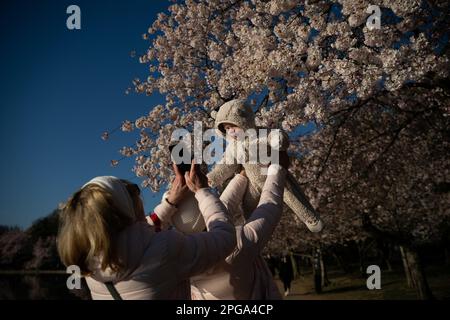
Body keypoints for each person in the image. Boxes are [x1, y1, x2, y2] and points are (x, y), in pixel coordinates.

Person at [57, 162, 236, 300]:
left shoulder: (89, 266)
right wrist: (202, 190)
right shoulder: (165, 249)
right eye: (134, 199)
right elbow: (225, 238)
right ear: (125, 212)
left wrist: (171, 203)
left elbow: (138, 237)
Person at [150, 151, 290, 299]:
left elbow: (221, 211)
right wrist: (278, 167)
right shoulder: (237, 244)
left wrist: (242, 176)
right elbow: (270, 205)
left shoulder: (177, 259)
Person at [207, 99, 323, 233]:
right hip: (253, 183)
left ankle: (310, 218)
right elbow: (226, 164)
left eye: (234, 126)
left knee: (291, 195)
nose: (231, 131)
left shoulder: (259, 134)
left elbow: (274, 135)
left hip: (272, 172)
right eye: (227, 128)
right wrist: (213, 177)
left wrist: (277, 140)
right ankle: (253, 230)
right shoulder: (233, 147)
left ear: (245, 121)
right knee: (249, 207)